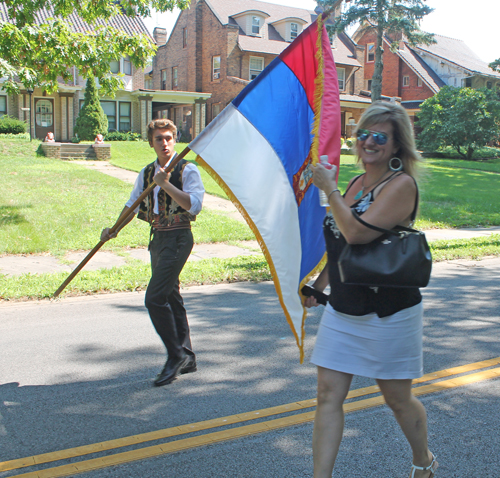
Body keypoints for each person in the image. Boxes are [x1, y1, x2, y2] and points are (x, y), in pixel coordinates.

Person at [307, 101, 438, 478]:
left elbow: (357, 232)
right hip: (345, 307)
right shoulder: (354, 184)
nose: (368, 141)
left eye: (380, 136)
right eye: (363, 133)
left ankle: (423, 462)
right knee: (328, 395)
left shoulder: (401, 186)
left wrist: (329, 190)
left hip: (390, 312)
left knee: (397, 399)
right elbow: (341, 246)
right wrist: (318, 286)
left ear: (397, 146)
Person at [101, 118, 204, 386]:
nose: (165, 143)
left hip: (179, 237)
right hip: (158, 238)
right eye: (159, 139)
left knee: (154, 298)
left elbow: (194, 205)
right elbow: (133, 205)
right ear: (151, 143)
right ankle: (188, 356)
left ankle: (175, 355)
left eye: (169, 137)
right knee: (171, 294)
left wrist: (167, 184)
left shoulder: (186, 169)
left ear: (175, 140)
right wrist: (113, 229)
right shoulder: (147, 173)